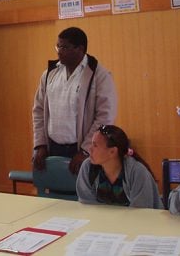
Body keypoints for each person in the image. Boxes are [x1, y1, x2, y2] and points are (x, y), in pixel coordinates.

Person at [32, 27, 117, 175]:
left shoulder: (99, 75)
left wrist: (86, 150)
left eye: (64, 47)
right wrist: (40, 145)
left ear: (80, 49)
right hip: (52, 148)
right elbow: (38, 110)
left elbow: (104, 117)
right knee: (54, 194)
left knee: (82, 195)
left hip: (82, 150)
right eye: (58, 46)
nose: (59, 51)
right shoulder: (49, 74)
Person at [76, 125, 164, 209]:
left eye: (95, 145)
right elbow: (87, 204)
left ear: (112, 151)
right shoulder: (88, 167)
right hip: (103, 222)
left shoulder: (137, 172)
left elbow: (140, 212)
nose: (89, 149)